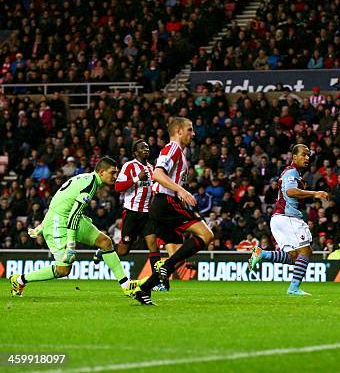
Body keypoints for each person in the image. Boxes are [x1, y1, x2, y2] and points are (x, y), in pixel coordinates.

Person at [10, 157, 142, 297]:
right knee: (63, 270)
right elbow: (72, 214)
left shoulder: (87, 178)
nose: (116, 176)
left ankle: (126, 285)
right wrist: (70, 245)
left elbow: (62, 197)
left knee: (105, 242)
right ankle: (19, 280)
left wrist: (43, 222)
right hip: (59, 222)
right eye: (113, 172)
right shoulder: (90, 185)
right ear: (102, 172)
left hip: (70, 218)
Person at [134, 117, 214, 305]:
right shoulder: (173, 149)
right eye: (190, 129)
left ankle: (144, 289)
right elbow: (157, 174)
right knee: (206, 235)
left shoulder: (179, 152)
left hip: (161, 204)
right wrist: (181, 190)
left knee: (176, 257)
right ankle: (163, 268)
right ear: (178, 130)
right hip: (166, 201)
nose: (193, 134)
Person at [248, 144, 329, 296]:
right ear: (294, 157)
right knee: (306, 251)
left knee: (294, 257)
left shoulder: (293, 173)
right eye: (303, 155)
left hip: (279, 218)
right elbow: (290, 191)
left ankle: (262, 254)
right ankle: (293, 289)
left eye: (308, 155)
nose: (307, 158)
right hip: (288, 217)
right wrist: (315, 193)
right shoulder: (291, 172)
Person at [93, 139, 165, 290]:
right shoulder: (129, 166)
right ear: (135, 152)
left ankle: (156, 282)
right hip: (132, 213)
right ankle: (105, 251)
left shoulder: (152, 168)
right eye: (142, 148)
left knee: (153, 246)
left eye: (147, 147)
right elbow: (118, 187)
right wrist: (137, 178)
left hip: (147, 214)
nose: (146, 149)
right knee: (123, 251)